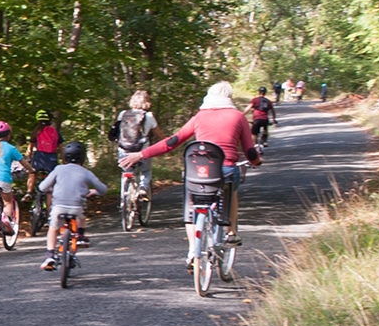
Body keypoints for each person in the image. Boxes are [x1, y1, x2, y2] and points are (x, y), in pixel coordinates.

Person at [121, 81, 262, 256]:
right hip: (224, 170)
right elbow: (250, 151)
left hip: (197, 173)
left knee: (191, 206)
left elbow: (172, 141)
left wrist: (141, 154)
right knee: (231, 191)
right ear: (229, 97)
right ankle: (231, 233)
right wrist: (256, 161)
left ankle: (192, 252)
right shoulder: (238, 116)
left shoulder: (199, 117)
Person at [39, 141, 108, 271]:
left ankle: (50, 255)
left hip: (58, 207)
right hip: (76, 208)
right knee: (82, 212)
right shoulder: (86, 172)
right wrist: (94, 192)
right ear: (83, 157)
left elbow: (42, 187)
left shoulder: (58, 169)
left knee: (53, 228)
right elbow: (103, 189)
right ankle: (81, 236)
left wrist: (50, 190)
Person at [111, 90, 159, 195]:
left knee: (127, 172)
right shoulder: (149, 116)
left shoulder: (123, 114)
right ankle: (143, 188)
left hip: (124, 149)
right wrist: (167, 141)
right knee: (146, 171)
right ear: (147, 102)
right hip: (142, 150)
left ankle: (124, 199)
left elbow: (117, 131)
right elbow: (158, 134)